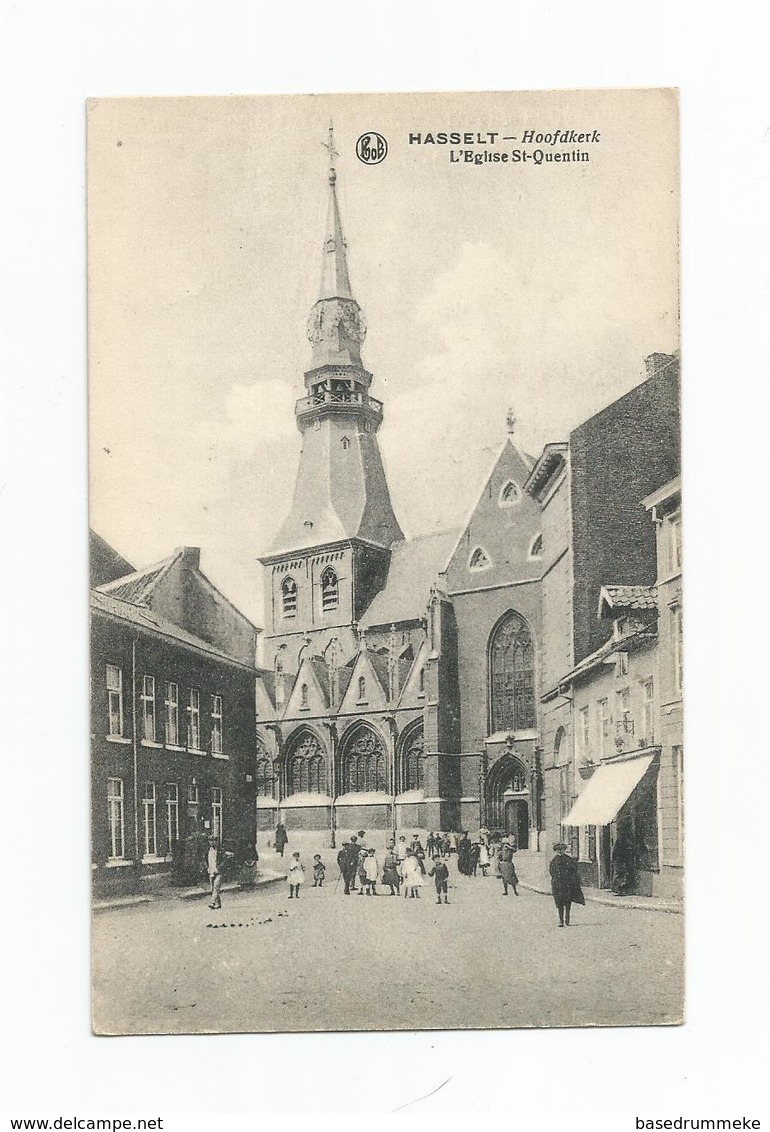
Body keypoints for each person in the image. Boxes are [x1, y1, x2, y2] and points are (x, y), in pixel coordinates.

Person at [549, 842, 584, 926]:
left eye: (561, 849)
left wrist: (571, 880)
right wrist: (555, 880)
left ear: (564, 850)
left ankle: (567, 919)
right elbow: (551, 872)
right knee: (559, 902)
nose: (560, 851)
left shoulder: (569, 860)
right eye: (558, 850)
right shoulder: (554, 861)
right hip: (557, 884)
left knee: (567, 902)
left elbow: (574, 870)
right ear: (556, 851)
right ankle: (561, 920)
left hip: (567, 884)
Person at [207, 835, 225, 909]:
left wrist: (219, 867)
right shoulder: (208, 850)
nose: (211, 842)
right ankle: (218, 904)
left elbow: (224, 861)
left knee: (216, 886)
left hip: (219, 871)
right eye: (210, 841)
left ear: (216, 841)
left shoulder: (221, 850)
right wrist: (207, 867)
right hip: (211, 871)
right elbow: (205, 860)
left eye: (213, 841)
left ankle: (212, 902)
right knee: (213, 888)